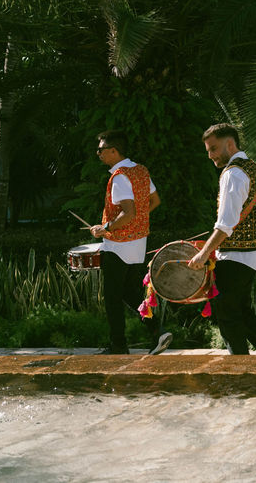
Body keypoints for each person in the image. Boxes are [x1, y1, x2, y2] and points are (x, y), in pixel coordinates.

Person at [187, 123, 256, 355]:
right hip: (252, 254)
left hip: (235, 255)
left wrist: (204, 253)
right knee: (241, 311)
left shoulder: (233, 174)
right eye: (208, 151)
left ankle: (239, 369)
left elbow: (225, 224)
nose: (211, 156)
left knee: (227, 314)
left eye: (213, 149)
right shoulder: (253, 167)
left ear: (230, 144)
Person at [88, 130, 172, 355]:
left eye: (101, 149)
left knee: (112, 299)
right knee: (131, 294)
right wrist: (137, 221)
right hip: (138, 244)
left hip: (117, 246)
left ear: (114, 151)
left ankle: (118, 346)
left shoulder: (120, 176)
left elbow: (129, 212)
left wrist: (104, 228)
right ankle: (158, 331)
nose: (98, 153)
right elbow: (155, 201)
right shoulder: (141, 171)